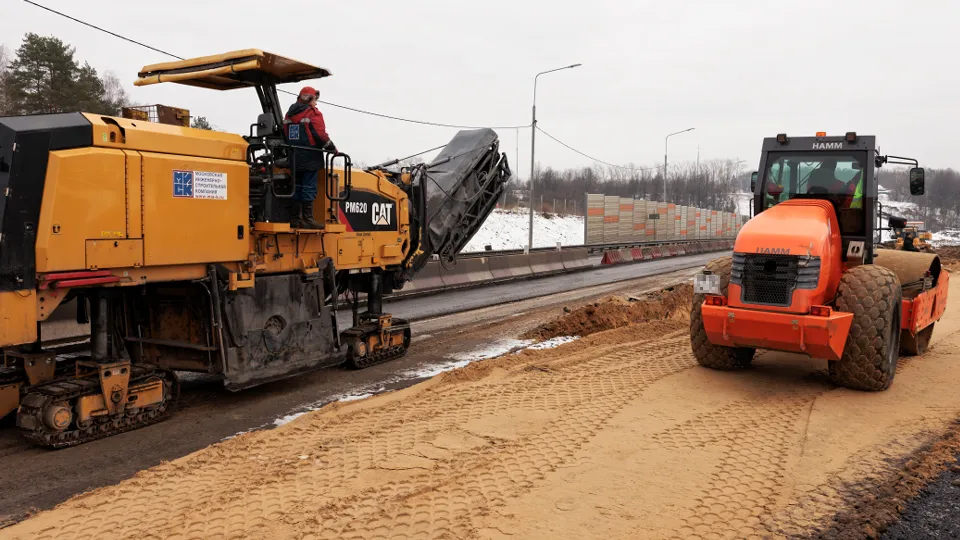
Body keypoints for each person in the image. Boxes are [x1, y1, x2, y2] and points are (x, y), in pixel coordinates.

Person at [284, 86, 338, 229]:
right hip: (310, 157)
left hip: (294, 157)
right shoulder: (313, 113)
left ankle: (295, 219)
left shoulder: (289, 114)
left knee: (296, 187)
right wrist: (332, 148)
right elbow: (321, 135)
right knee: (308, 187)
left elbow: (285, 134)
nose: (316, 103)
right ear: (309, 99)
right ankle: (308, 219)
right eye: (315, 99)